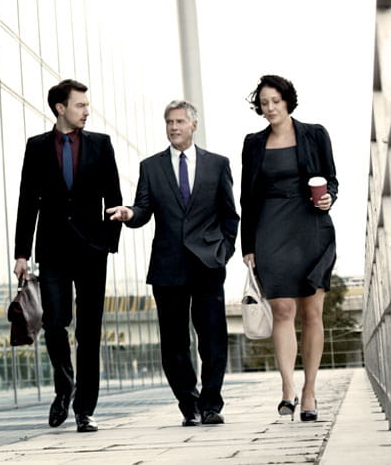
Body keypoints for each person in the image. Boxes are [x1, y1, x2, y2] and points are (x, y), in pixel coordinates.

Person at [108, 101, 238, 426]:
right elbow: (143, 209)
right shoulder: (150, 167)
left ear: (193, 125)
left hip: (208, 264)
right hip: (168, 266)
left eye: (180, 121)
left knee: (212, 339)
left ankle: (211, 405)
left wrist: (223, 252)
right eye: (169, 122)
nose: (174, 127)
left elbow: (229, 215)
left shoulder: (217, 164)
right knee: (174, 343)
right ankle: (188, 404)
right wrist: (129, 214)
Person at [13, 79, 122, 432]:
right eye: (80, 105)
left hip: (92, 249)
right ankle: (65, 387)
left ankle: (84, 409)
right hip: (53, 248)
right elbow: (27, 200)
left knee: (89, 331)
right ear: (61, 108)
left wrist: (109, 241)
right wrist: (21, 253)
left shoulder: (101, 145)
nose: (87, 111)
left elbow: (115, 196)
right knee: (54, 324)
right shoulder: (37, 147)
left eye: (87, 106)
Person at [239, 74, 337, 422]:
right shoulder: (253, 143)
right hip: (270, 228)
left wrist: (328, 199)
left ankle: (310, 391)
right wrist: (247, 244)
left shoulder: (315, 134)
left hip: (311, 226)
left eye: (275, 101)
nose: (269, 108)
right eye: (264, 103)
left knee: (312, 312)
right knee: (282, 309)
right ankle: (287, 389)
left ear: (287, 101)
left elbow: (331, 180)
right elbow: (246, 198)